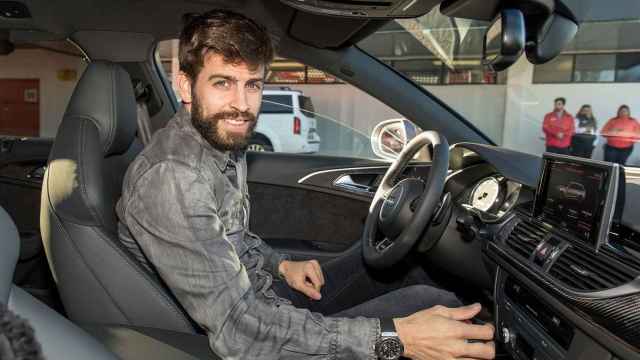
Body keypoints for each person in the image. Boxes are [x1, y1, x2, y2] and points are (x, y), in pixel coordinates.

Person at [116, 10, 495, 360]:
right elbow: (241, 334)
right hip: (250, 337)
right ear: (185, 86)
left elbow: (233, 239)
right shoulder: (172, 178)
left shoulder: (218, 143)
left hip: (265, 299)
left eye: (253, 85)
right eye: (223, 83)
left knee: (407, 267)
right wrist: (396, 339)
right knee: (433, 305)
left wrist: (281, 266)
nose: (242, 104)